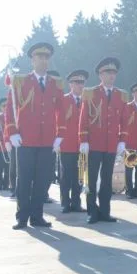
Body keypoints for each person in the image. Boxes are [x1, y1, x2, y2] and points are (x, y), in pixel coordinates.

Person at [5, 42, 64, 229]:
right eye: (40, 57)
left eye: (47, 57)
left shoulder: (56, 84)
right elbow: (9, 109)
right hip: (26, 139)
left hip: (47, 140)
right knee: (24, 179)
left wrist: (60, 135)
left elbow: (61, 111)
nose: (44, 61)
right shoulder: (21, 81)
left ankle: (37, 216)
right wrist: (12, 132)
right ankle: (22, 217)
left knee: (43, 179)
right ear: (32, 59)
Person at [79, 57, 127, 224]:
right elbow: (83, 118)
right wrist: (83, 139)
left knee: (107, 180)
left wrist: (123, 140)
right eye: (108, 72)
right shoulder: (90, 92)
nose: (111, 75)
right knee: (91, 179)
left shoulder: (121, 95)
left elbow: (124, 120)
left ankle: (105, 211)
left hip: (111, 144)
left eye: (114, 72)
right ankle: (92, 211)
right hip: (94, 143)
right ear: (100, 74)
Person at [54, 69, 88, 213]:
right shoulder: (63, 100)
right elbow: (56, 120)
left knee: (79, 175)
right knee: (66, 176)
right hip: (67, 144)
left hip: (82, 145)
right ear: (70, 84)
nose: (80, 85)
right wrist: (56, 140)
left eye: (82, 82)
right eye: (77, 82)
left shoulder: (87, 101)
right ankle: (65, 203)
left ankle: (76, 202)